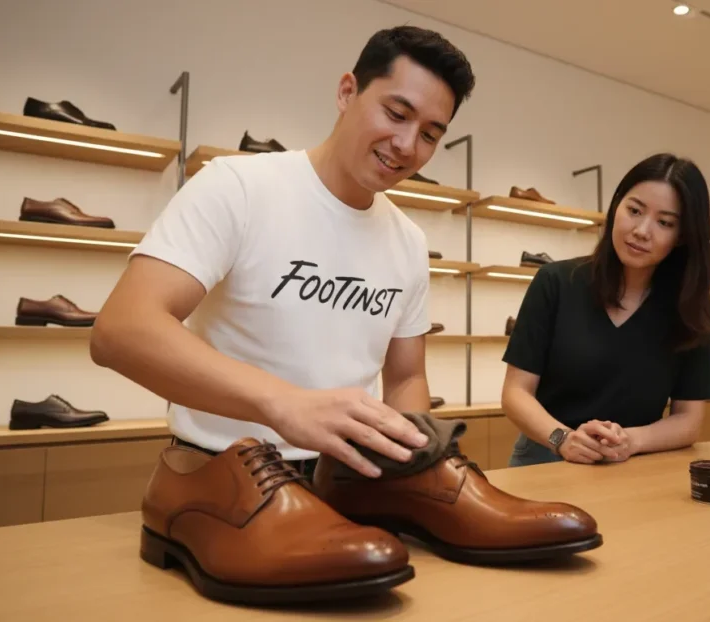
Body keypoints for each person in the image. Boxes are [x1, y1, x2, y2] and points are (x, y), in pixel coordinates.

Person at [90, 26, 476, 479]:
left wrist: (412, 460)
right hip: (229, 473)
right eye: (396, 113)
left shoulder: (408, 240)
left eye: (430, 135)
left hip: (348, 478)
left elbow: (407, 377)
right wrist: (285, 404)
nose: (408, 146)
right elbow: (121, 330)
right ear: (347, 92)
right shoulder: (237, 186)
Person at [501, 153, 710, 467]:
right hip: (546, 456)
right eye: (634, 210)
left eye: (665, 222)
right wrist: (563, 438)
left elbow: (689, 420)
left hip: (636, 463)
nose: (643, 230)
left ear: (682, 236)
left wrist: (633, 440)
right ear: (616, 206)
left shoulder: (691, 309)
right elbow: (515, 393)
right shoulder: (556, 282)